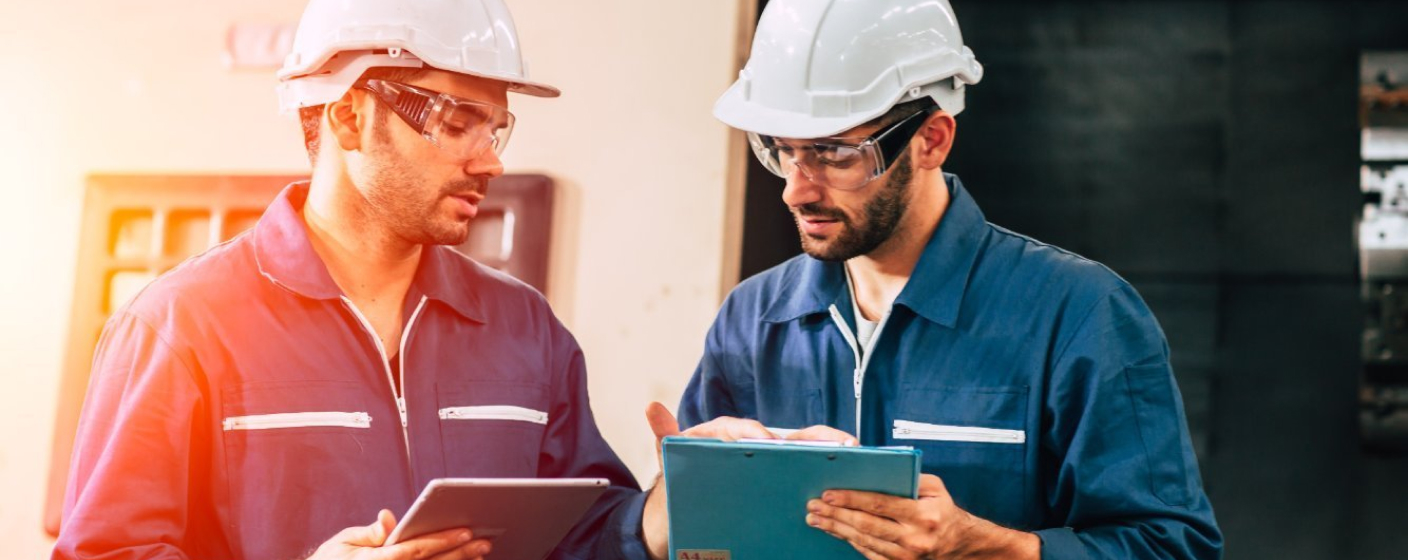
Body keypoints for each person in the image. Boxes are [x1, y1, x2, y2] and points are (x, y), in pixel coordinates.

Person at [53, 1, 648, 559]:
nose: (490, 161)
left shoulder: (526, 326)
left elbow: (583, 535)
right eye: (458, 120)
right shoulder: (178, 327)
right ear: (349, 117)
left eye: (494, 129)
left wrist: (655, 521)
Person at [640, 0, 1224, 558]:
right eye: (782, 151)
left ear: (931, 139)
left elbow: (1174, 546)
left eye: (835, 153)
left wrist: (988, 548)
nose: (798, 189)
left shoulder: (1078, 315)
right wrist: (681, 504)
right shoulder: (754, 318)